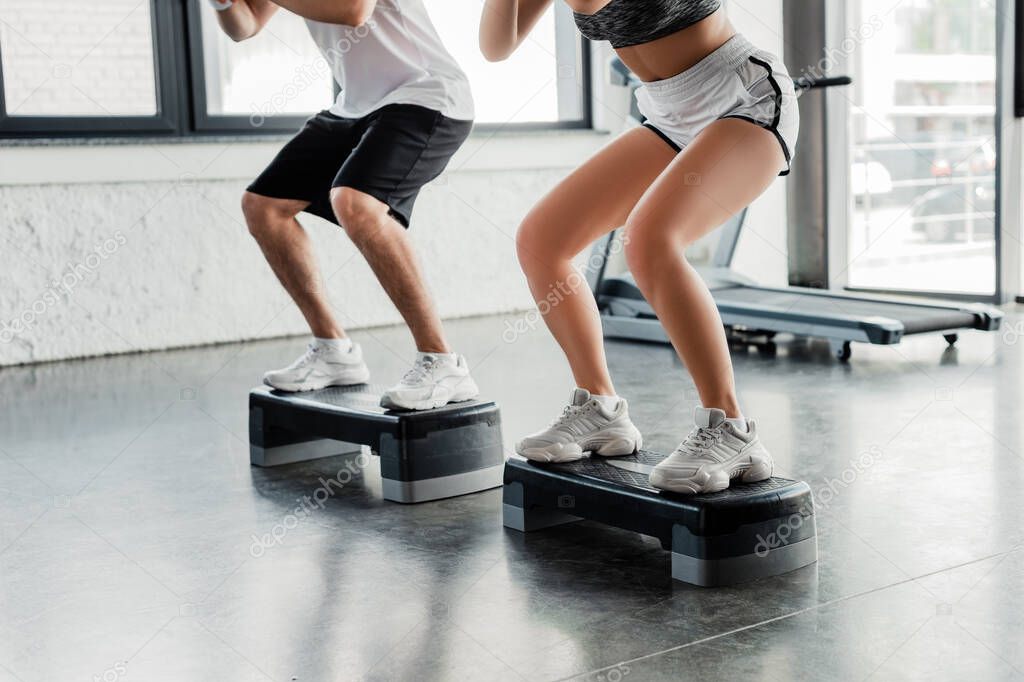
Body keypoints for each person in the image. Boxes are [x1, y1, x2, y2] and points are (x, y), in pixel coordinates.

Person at [479, 1, 798, 493]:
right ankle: (600, 408)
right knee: (542, 241)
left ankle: (731, 428)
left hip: (741, 98)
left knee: (650, 240)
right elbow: (496, 47)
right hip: (668, 115)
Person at [212, 0, 479, 410]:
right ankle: (334, 351)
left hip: (427, 94)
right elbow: (243, 27)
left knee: (355, 202)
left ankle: (443, 362)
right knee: (263, 206)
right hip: (357, 103)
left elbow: (355, 10)